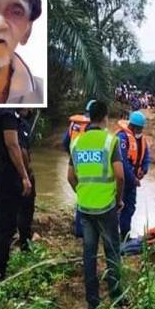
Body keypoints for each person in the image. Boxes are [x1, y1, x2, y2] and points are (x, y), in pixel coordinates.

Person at [67, 100, 125, 309]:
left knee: (89, 254)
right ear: (105, 118)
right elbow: (120, 176)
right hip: (106, 207)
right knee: (112, 253)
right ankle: (117, 298)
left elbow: (70, 177)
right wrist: (118, 200)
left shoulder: (76, 143)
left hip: (85, 208)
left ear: (89, 117)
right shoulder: (110, 142)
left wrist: (82, 193)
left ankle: (93, 303)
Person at [0, 108, 33, 280]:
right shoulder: (8, 113)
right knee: (7, 223)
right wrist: (24, 176)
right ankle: (0, 271)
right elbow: (12, 144)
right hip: (9, 172)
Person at [115, 110, 151, 241]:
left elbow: (146, 156)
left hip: (132, 182)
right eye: (140, 128)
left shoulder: (141, 139)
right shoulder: (122, 138)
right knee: (117, 207)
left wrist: (144, 169)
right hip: (121, 180)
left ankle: (125, 235)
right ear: (133, 126)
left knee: (130, 208)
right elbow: (122, 162)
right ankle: (113, 235)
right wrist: (133, 179)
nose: (141, 131)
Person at [63, 100, 95, 237]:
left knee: (81, 197)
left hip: (75, 162)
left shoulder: (74, 124)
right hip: (90, 164)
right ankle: (89, 231)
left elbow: (65, 142)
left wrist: (71, 156)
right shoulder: (94, 125)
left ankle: (79, 231)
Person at [16, 108, 36, 251]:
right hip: (21, 171)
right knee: (26, 207)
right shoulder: (20, 123)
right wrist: (26, 172)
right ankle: (24, 241)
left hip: (10, 171)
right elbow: (21, 150)